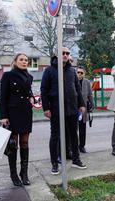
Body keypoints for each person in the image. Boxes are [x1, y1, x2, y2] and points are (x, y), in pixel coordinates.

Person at [41, 47, 87, 175]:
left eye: (67, 53)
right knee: (55, 136)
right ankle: (55, 163)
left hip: (72, 108)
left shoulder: (72, 71)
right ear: (56, 55)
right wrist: (46, 108)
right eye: (63, 53)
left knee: (74, 134)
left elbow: (77, 89)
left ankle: (76, 159)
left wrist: (81, 104)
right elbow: (44, 90)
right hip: (56, 109)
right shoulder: (49, 71)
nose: (65, 55)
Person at [0, 53, 34, 186]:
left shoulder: (29, 77)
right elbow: (3, 97)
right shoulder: (8, 76)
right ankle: (14, 175)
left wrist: (31, 97)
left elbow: (28, 92)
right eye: (21, 60)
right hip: (13, 113)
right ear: (15, 61)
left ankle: (24, 173)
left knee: (25, 142)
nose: (24, 62)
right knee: (13, 145)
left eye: (26, 60)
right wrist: (3, 116)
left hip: (26, 112)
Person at [76, 67, 94, 153]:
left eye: (81, 73)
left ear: (84, 74)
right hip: (74, 109)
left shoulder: (87, 82)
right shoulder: (72, 81)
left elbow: (90, 95)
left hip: (83, 109)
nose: (79, 74)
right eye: (78, 72)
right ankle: (73, 147)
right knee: (73, 129)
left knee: (82, 129)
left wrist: (92, 106)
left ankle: (82, 146)